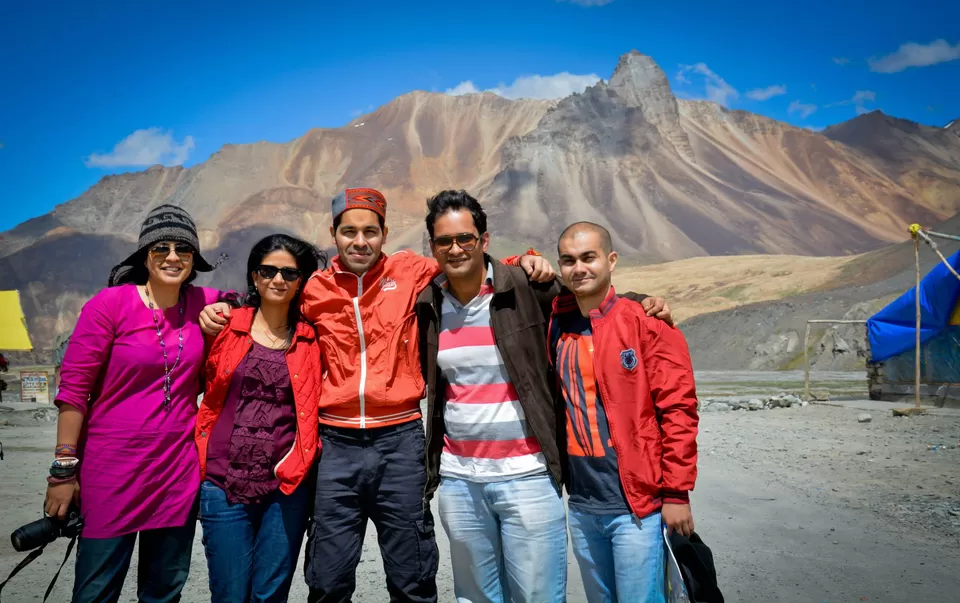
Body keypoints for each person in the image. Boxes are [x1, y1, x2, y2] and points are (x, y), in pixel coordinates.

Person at [198, 187, 555, 603]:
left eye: (370, 231)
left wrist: (525, 260)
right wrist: (225, 310)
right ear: (334, 234)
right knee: (328, 579)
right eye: (349, 231)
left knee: (412, 574)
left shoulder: (411, 271)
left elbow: (465, 263)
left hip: (400, 442)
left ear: (385, 233)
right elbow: (270, 309)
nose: (360, 241)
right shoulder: (314, 289)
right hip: (335, 446)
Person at [414, 191, 673, 603]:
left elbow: (590, 296)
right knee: (475, 597)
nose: (456, 248)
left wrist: (642, 303)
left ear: (484, 240)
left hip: (528, 476)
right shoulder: (428, 302)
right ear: (433, 247)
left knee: (538, 596)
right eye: (445, 241)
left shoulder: (526, 287)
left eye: (466, 238)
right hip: (461, 480)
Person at [46, 204, 227, 603]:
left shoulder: (205, 301)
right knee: (95, 591)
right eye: (161, 248)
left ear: (194, 258)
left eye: (183, 249)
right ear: (145, 255)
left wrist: (227, 308)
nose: (173, 257)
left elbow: (257, 301)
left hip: (176, 472)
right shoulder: (109, 305)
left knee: (164, 592)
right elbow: (74, 390)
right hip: (111, 470)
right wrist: (63, 471)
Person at [548, 221, 699, 603]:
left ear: (611, 260)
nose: (579, 268)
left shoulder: (646, 323)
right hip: (582, 506)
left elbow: (679, 411)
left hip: (637, 508)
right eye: (568, 260)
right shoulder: (557, 324)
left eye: (589, 257)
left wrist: (676, 494)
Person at [196, 234, 324, 603]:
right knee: (229, 594)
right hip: (222, 483)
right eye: (268, 271)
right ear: (254, 276)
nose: (278, 279)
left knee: (270, 595)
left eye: (289, 273)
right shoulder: (225, 326)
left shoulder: (312, 340)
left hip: (286, 488)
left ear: (300, 282)